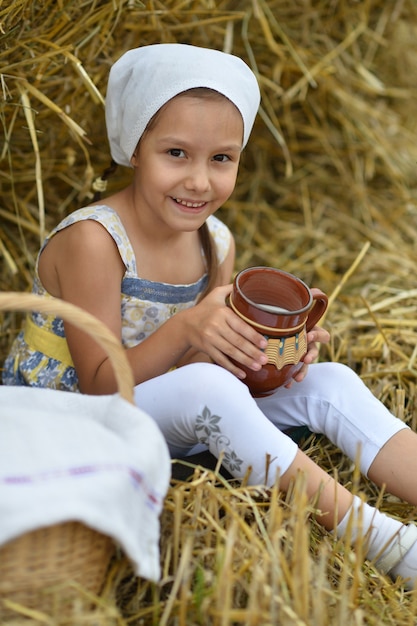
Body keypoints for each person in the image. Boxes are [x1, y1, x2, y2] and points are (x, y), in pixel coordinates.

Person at [3, 43, 417, 588]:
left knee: (331, 381)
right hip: (68, 420)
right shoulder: (95, 241)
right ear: (134, 148)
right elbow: (102, 388)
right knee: (204, 388)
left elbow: (209, 366)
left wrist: (272, 359)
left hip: (176, 412)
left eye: (221, 158)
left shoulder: (215, 241)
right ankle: (391, 545)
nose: (200, 181)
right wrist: (187, 328)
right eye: (176, 153)